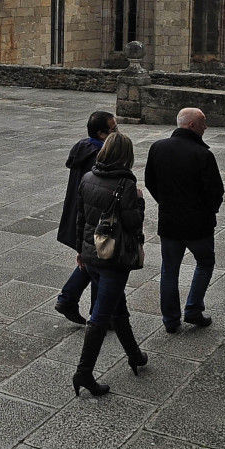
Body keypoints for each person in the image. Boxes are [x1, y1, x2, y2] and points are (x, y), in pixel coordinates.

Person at [73, 131, 147, 396]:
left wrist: (81, 252)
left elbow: (80, 218)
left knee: (118, 308)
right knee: (101, 317)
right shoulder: (125, 184)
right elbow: (133, 222)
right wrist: (139, 200)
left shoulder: (88, 177)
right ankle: (84, 373)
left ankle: (135, 355)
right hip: (113, 259)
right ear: (126, 155)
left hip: (92, 256)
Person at [144, 107, 225, 333]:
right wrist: (209, 211)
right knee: (205, 262)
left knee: (169, 269)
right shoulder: (203, 154)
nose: (206, 126)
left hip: (169, 221)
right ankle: (193, 309)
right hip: (198, 224)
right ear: (191, 125)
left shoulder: (158, 148)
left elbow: (150, 180)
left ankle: (170, 319)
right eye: (203, 122)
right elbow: (215, 191)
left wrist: (165, 202)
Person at [54, 110, 117, 325]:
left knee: (92, 260)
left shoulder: (83, 147)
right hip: (91, 216)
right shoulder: (100, 155)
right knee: (98, 260)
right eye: (114, 129)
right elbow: (100, 190)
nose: (117, 132)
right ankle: (98, 313)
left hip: (79, 212)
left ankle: (70, 299)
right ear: (101, 134)